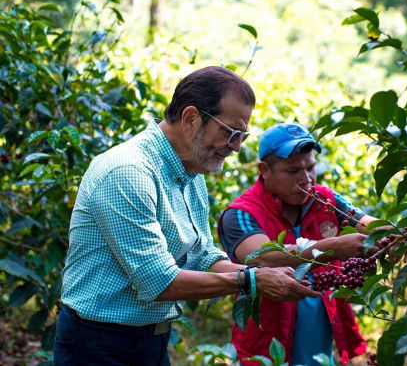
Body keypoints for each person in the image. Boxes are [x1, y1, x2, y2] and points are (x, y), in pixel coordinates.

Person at [54, 67, 320, 366]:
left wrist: (269, 276)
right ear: (191, 118)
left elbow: (201, 254)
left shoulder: (191, 174)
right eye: (229, 133)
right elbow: (158, 282)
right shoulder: (128, 172)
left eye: (241, 136)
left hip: (150, 339)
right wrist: (252, 280)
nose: (235, 147)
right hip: (98, 344)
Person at [219, 123, 381, 366]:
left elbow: (367, 224)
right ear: (264, 170)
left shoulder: (325, 200)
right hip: (267, 343)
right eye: (293, 171)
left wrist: (392, 232)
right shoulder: (241, 213)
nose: (306, 179)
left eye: (311, 168)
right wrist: (334, 247)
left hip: (318, 339)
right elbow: (262, 256)